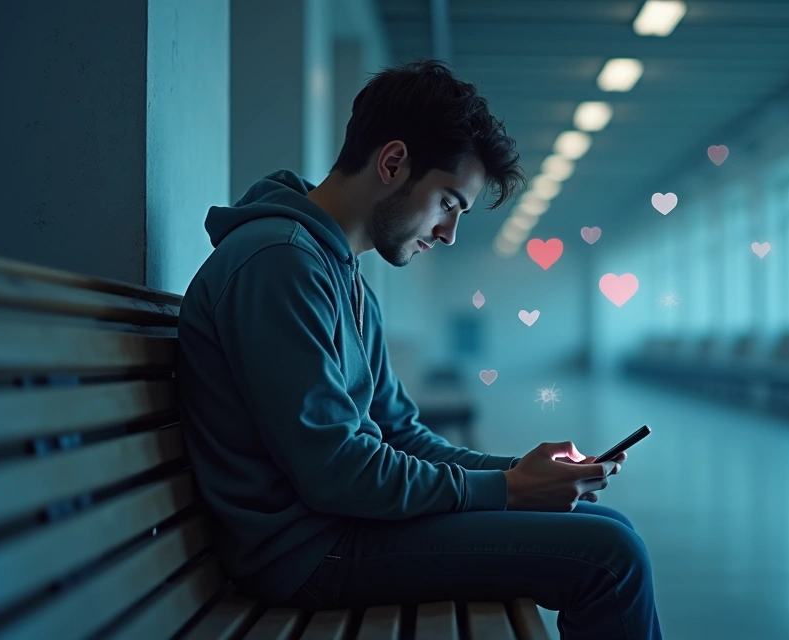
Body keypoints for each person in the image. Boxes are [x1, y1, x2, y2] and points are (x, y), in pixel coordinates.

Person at [176, 60, 663, 640]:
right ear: (393, 162)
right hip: (308, 553)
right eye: (449, 203)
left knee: (608, 526)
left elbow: (401, 435)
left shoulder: (340, 274)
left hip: (340, 527)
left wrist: (521, 473)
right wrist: (509, 490)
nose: (449, 232)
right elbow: (334, 471)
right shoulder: (279, 263)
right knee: (610, 557)